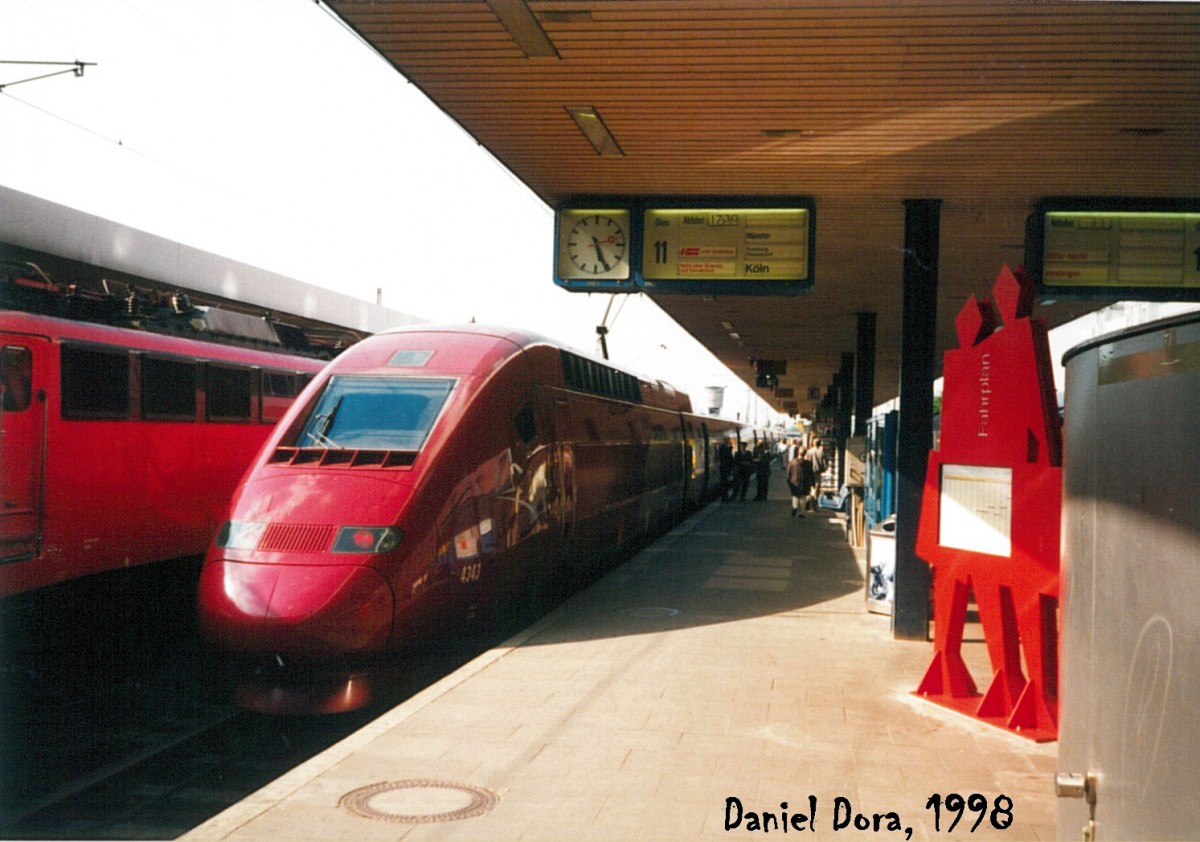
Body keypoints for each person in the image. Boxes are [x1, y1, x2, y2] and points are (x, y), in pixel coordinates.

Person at [804, 438, 827, 512]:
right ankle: (814, 506)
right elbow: (825, 462)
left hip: (809, 472)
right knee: (816, 489)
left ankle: (807, 502)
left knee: (810, 488)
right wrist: (824, 469)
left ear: (814, 443)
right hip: (818, 473)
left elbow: (806, 461)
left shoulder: (809, 451)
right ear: (820, 444)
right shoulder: (821, 452)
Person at [785, 446, 807, 517]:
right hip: (804, 482)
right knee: (803, 497)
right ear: (805, 454)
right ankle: (802, 512)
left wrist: (789, 481)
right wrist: (812, 483)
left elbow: (788, 473)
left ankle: (795, 506)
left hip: (794, 482)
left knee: (795, 495)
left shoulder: (792, 462)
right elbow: (810, 474)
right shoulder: (808, 463)